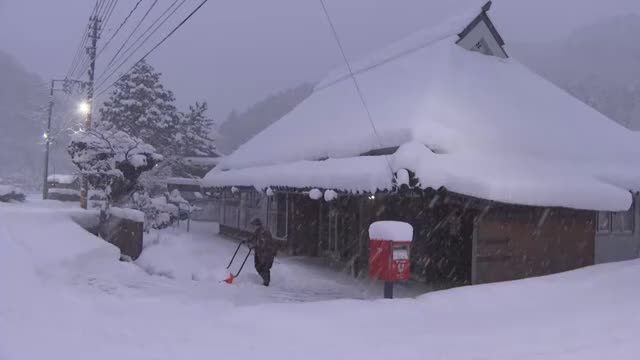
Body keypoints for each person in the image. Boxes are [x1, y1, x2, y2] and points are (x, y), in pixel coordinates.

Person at [247, 218, 277, 286]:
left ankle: (266, 283)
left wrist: (253, 245)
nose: (252, 228)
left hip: (266, 254)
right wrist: (247, 241)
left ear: (256, 225)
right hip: (262, 253)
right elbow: (253, 238)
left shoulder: (263, 232)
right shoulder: (259, 231)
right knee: (261, 267)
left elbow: (262, 243)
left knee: (263, 267)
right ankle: (266, 281)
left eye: (253, 226)